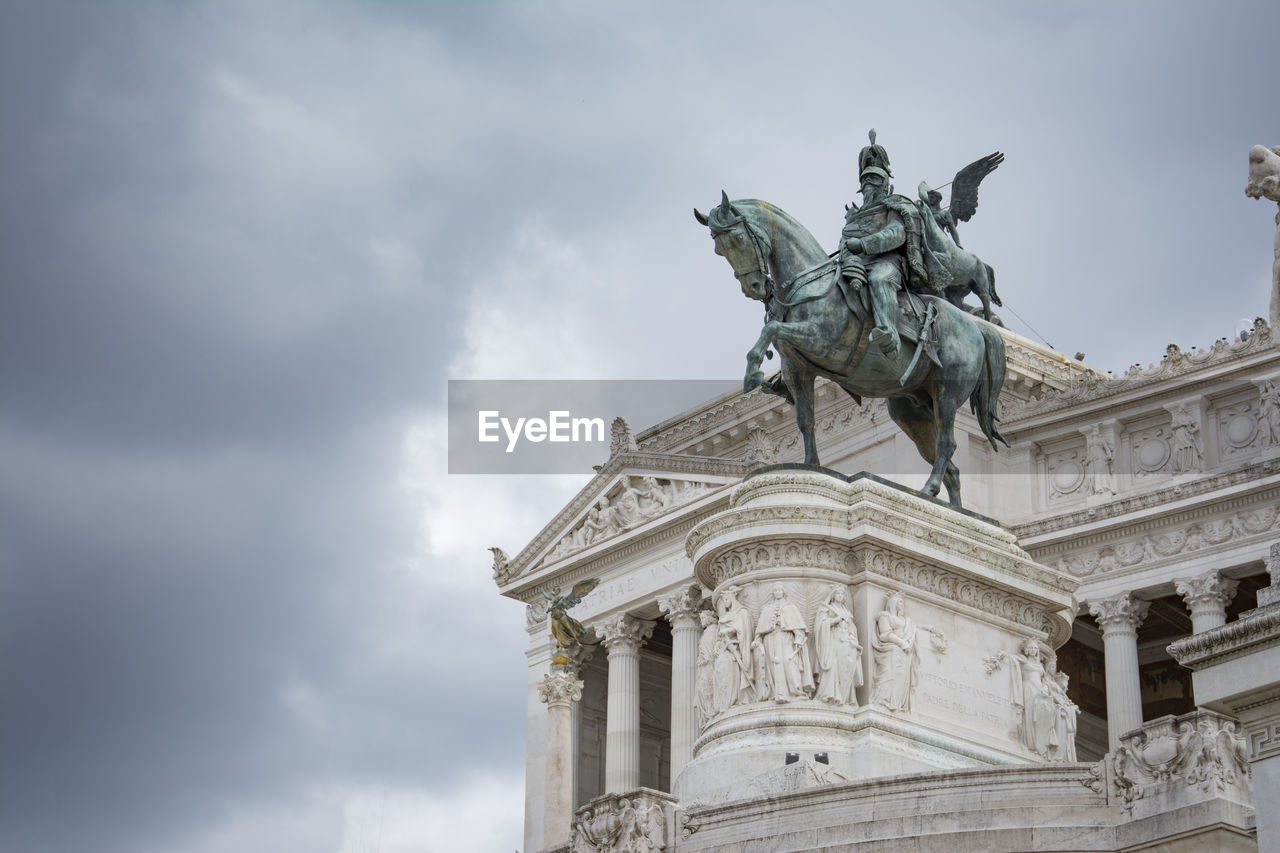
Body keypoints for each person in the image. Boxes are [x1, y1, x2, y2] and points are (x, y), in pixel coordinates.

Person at [755, 583, 814, 702]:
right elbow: (760, 630)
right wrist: (758, 640)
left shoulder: (790, 607)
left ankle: (795, 691)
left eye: (779, 590)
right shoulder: (767, 608)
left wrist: (798, 637)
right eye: (775, 590)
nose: (777, 592)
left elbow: (798, 626)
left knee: (788, 661)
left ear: (783, 592)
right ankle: (775, 693)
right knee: (772, 665)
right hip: (770, 639)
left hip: (786, 638)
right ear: (773, 593)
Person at [870, 591, 920, 712]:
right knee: (888, 673)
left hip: (904, 651)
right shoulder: (885, 616)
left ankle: (897, 703)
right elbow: (885, 635)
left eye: (902, 601)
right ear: (892, 603)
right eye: (899, 601)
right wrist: (902, 643)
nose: (902, 604)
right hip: (891, 649)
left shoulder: (906, 619)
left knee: (902, 678)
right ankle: (884, 699)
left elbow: (916, 627)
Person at [814, 587, 863, 706]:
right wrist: (835, 620)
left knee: (847, 667)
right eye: (838, 593)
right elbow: (820, 625)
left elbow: (852, 628)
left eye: (842, 594)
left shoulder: (847, 612)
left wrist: (852, 637)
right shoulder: (826, 608)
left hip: (846, 642)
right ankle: (829, 695)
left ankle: (845, 697)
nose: (840, 595)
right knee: (833, 665)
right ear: (833, 595)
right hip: (832, 641)